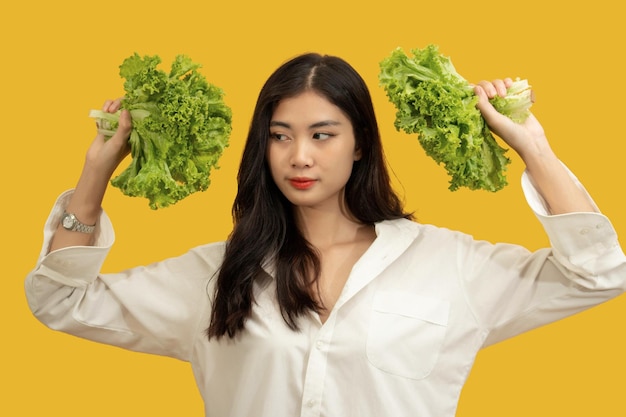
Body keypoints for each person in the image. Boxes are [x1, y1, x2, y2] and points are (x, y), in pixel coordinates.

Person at [25, 53, 625, 417]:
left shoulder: (449, 264)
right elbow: (60, 299)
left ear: (360, 143)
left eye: (322, 134)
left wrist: (530, 142)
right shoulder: (216, 275)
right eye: (280, 135)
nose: (299, 156)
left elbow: (599, 272)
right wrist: (97, 171)